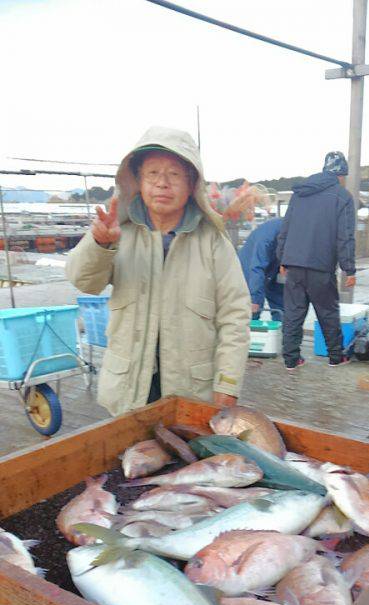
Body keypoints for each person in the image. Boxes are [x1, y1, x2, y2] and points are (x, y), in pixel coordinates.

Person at [67, 127, 251, 416]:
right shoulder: (118, 233)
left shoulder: (214, 242)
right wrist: (100, 243)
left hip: (191, 394)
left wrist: (227, 385)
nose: (162, 183)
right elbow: (83, 281)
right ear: (137, 180)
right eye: (152, 173)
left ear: (191, 184)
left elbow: (235, 316)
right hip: (128, 392)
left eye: (174, 174)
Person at [276, 151, 356, 370]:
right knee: (328, 311)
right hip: (320, 265)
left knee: (293, 312)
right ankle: (335, 357)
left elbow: (286, 227)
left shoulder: (300, 193)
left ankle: (291, 360)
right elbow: (345, 236)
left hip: (293, 263)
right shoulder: (343, 196)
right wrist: (349, 269)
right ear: (341, 174)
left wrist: (282, 258)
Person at [238, 217, 284, 320]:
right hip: (249, 271)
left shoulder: (294, 231)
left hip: (273, 270)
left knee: (282, 311)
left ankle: (281, 332)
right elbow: (257, 267)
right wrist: (255, 299)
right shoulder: (267, 236)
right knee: (253, 310)